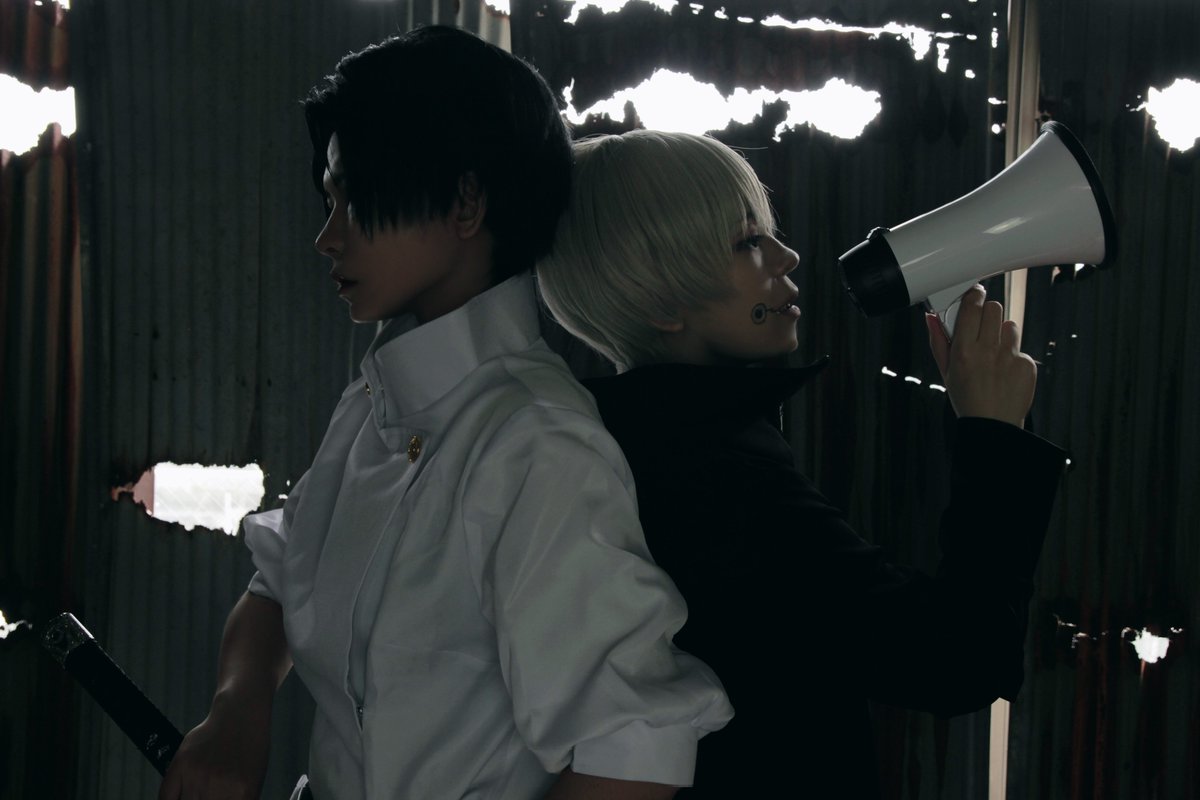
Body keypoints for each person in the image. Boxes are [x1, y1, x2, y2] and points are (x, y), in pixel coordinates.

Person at [159, 31, 733, 800]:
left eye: (356, 199)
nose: (327, 237)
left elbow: (635, 749)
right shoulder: (376, 399)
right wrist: (238, 711)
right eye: (329, 202)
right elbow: (281, 579)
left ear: (465, 203)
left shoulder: (536, 443)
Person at [536, 130, 1067, 798]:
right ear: (663, 297)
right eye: (747, 242)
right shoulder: (716, 473)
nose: (786, 256)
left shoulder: (636, 442)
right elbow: (956, 660)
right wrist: (993, 434)